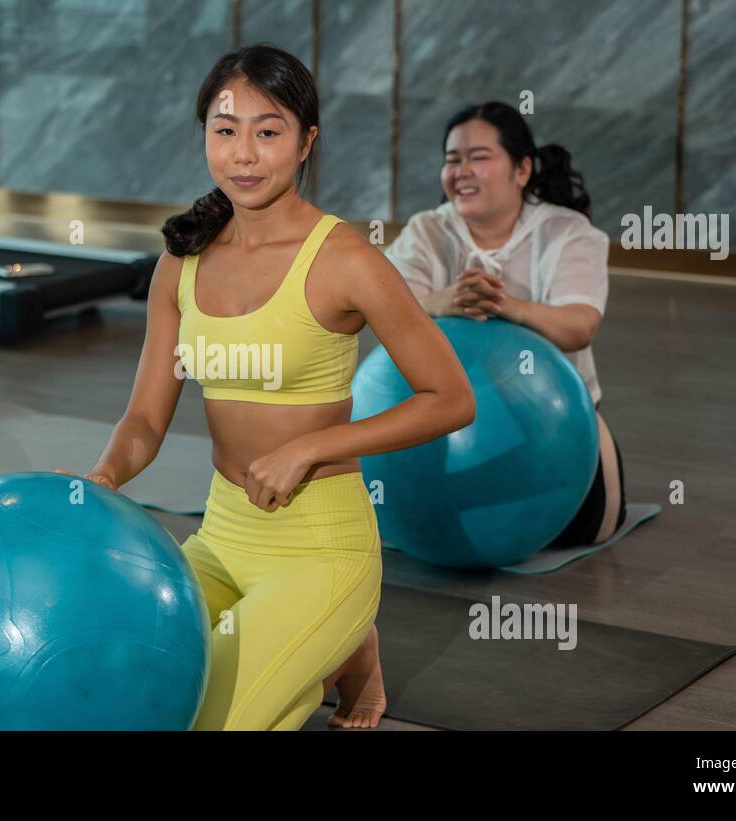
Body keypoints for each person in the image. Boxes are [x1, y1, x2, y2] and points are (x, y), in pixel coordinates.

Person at [67, 44, 474, 731]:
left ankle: (341, 635)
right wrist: (103, 476)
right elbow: (144, 418)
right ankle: (347, 656)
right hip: (221, 535)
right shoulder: (182, 257)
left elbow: (451, 398)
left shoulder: (345, 259)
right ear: (204, 136)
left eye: (268, 130)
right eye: (226, 131)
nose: (244, 155)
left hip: (321, 543)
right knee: (122, 683)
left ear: (306, 140)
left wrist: (310, 447)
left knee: (209, 720)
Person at [385, 100, 626, 548]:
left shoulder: (567, 232)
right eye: (452, 159)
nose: (462, 170)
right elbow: (380, 307)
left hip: (553, 429)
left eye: (479, 157)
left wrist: (505, 305)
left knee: (583, 533)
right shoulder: (427, 231)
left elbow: (579, 326)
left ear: (522, 170)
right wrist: (443, 301)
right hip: (440, 429)